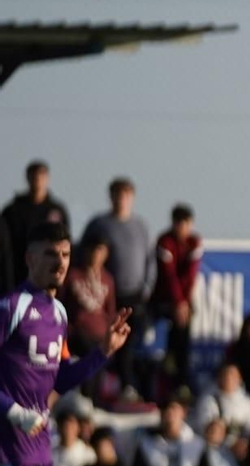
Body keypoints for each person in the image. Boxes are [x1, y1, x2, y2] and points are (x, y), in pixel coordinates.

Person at [0, 223, 130, 466]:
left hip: (39, 449)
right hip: (11, 453)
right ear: (29, 258)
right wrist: (14, 412)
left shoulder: (58, 313)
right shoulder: (12, 308)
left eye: (65, 254)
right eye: (50, 254)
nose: (59, 262)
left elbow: (60, 378)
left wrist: (103, 352)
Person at [80, 178, 155, 400]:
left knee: (129, 345)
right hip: (105, 295)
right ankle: (96, 390)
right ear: (110, 196)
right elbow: (84, 253)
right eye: (117, 195)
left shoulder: (141, 226)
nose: (121, 199)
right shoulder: (99, 224)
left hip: (134, 295)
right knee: (103, 343)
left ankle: (127, 387)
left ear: (132, 198)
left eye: (126, 195)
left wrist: (147, 287)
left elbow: (150, 260)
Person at [153, 204, 203, 392]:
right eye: (179, 223)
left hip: (184, 302)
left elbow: (190, 275)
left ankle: (182, 383)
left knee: (183, 339)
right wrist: (178, 302)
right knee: (168, 341)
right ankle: (166, 380)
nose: (182, 228)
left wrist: (184, 303)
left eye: (186, 223)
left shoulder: (194, 242)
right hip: (164, 300)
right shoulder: (165, 241)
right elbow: (169, 276)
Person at [1, 160, 70, 294]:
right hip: (18, 274)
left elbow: (65, 244)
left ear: (47, 178)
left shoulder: (57, 210)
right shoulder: (13, 211)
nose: (38, 180)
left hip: (49, 275)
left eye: (41, 176)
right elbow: (5, 250)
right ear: (27, 178)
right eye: (34, 176)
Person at [61, 236, 117, 365]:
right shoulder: (72, 275)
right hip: (78, 336)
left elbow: (110, 312)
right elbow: (60, 304)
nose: (96, 254)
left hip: (100, 336)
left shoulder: (108, 279)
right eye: (92, 249)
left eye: (100, 250)